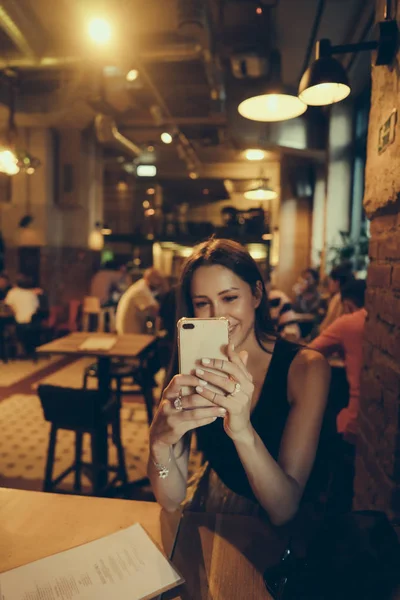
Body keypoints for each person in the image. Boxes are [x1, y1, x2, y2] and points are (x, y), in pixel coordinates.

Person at [148, 239, 330, 525]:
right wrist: (159, 444)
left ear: (256, 295)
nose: (218, 315)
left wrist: (243, 430)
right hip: (221, 512)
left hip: (289, 537)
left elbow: (285, 510)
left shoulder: (306, 369)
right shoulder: (194, 367)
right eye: (202, 303)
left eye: (230, 298)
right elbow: (170, 499)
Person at [310, 279, 366, 441]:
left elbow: (309, 352)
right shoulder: (378, 323)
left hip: (355, 417)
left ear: (347, 305)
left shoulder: (348, 322)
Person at [116, 267, 167, 334]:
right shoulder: (141, 291)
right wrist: (165, 288)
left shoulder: (140, 286)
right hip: (130, 335)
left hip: (128, 333)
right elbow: (157, 311)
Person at [264, 272, 301, 341]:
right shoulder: (244, 304)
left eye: (264, 283)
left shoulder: (278, 299)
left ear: (269, 284)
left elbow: (292, 331)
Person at [318, 264, 354, 333]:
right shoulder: (350, 298)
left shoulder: (338, 298)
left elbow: (326, 326)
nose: (329, 285)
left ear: (337, 282)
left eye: (330, 281)